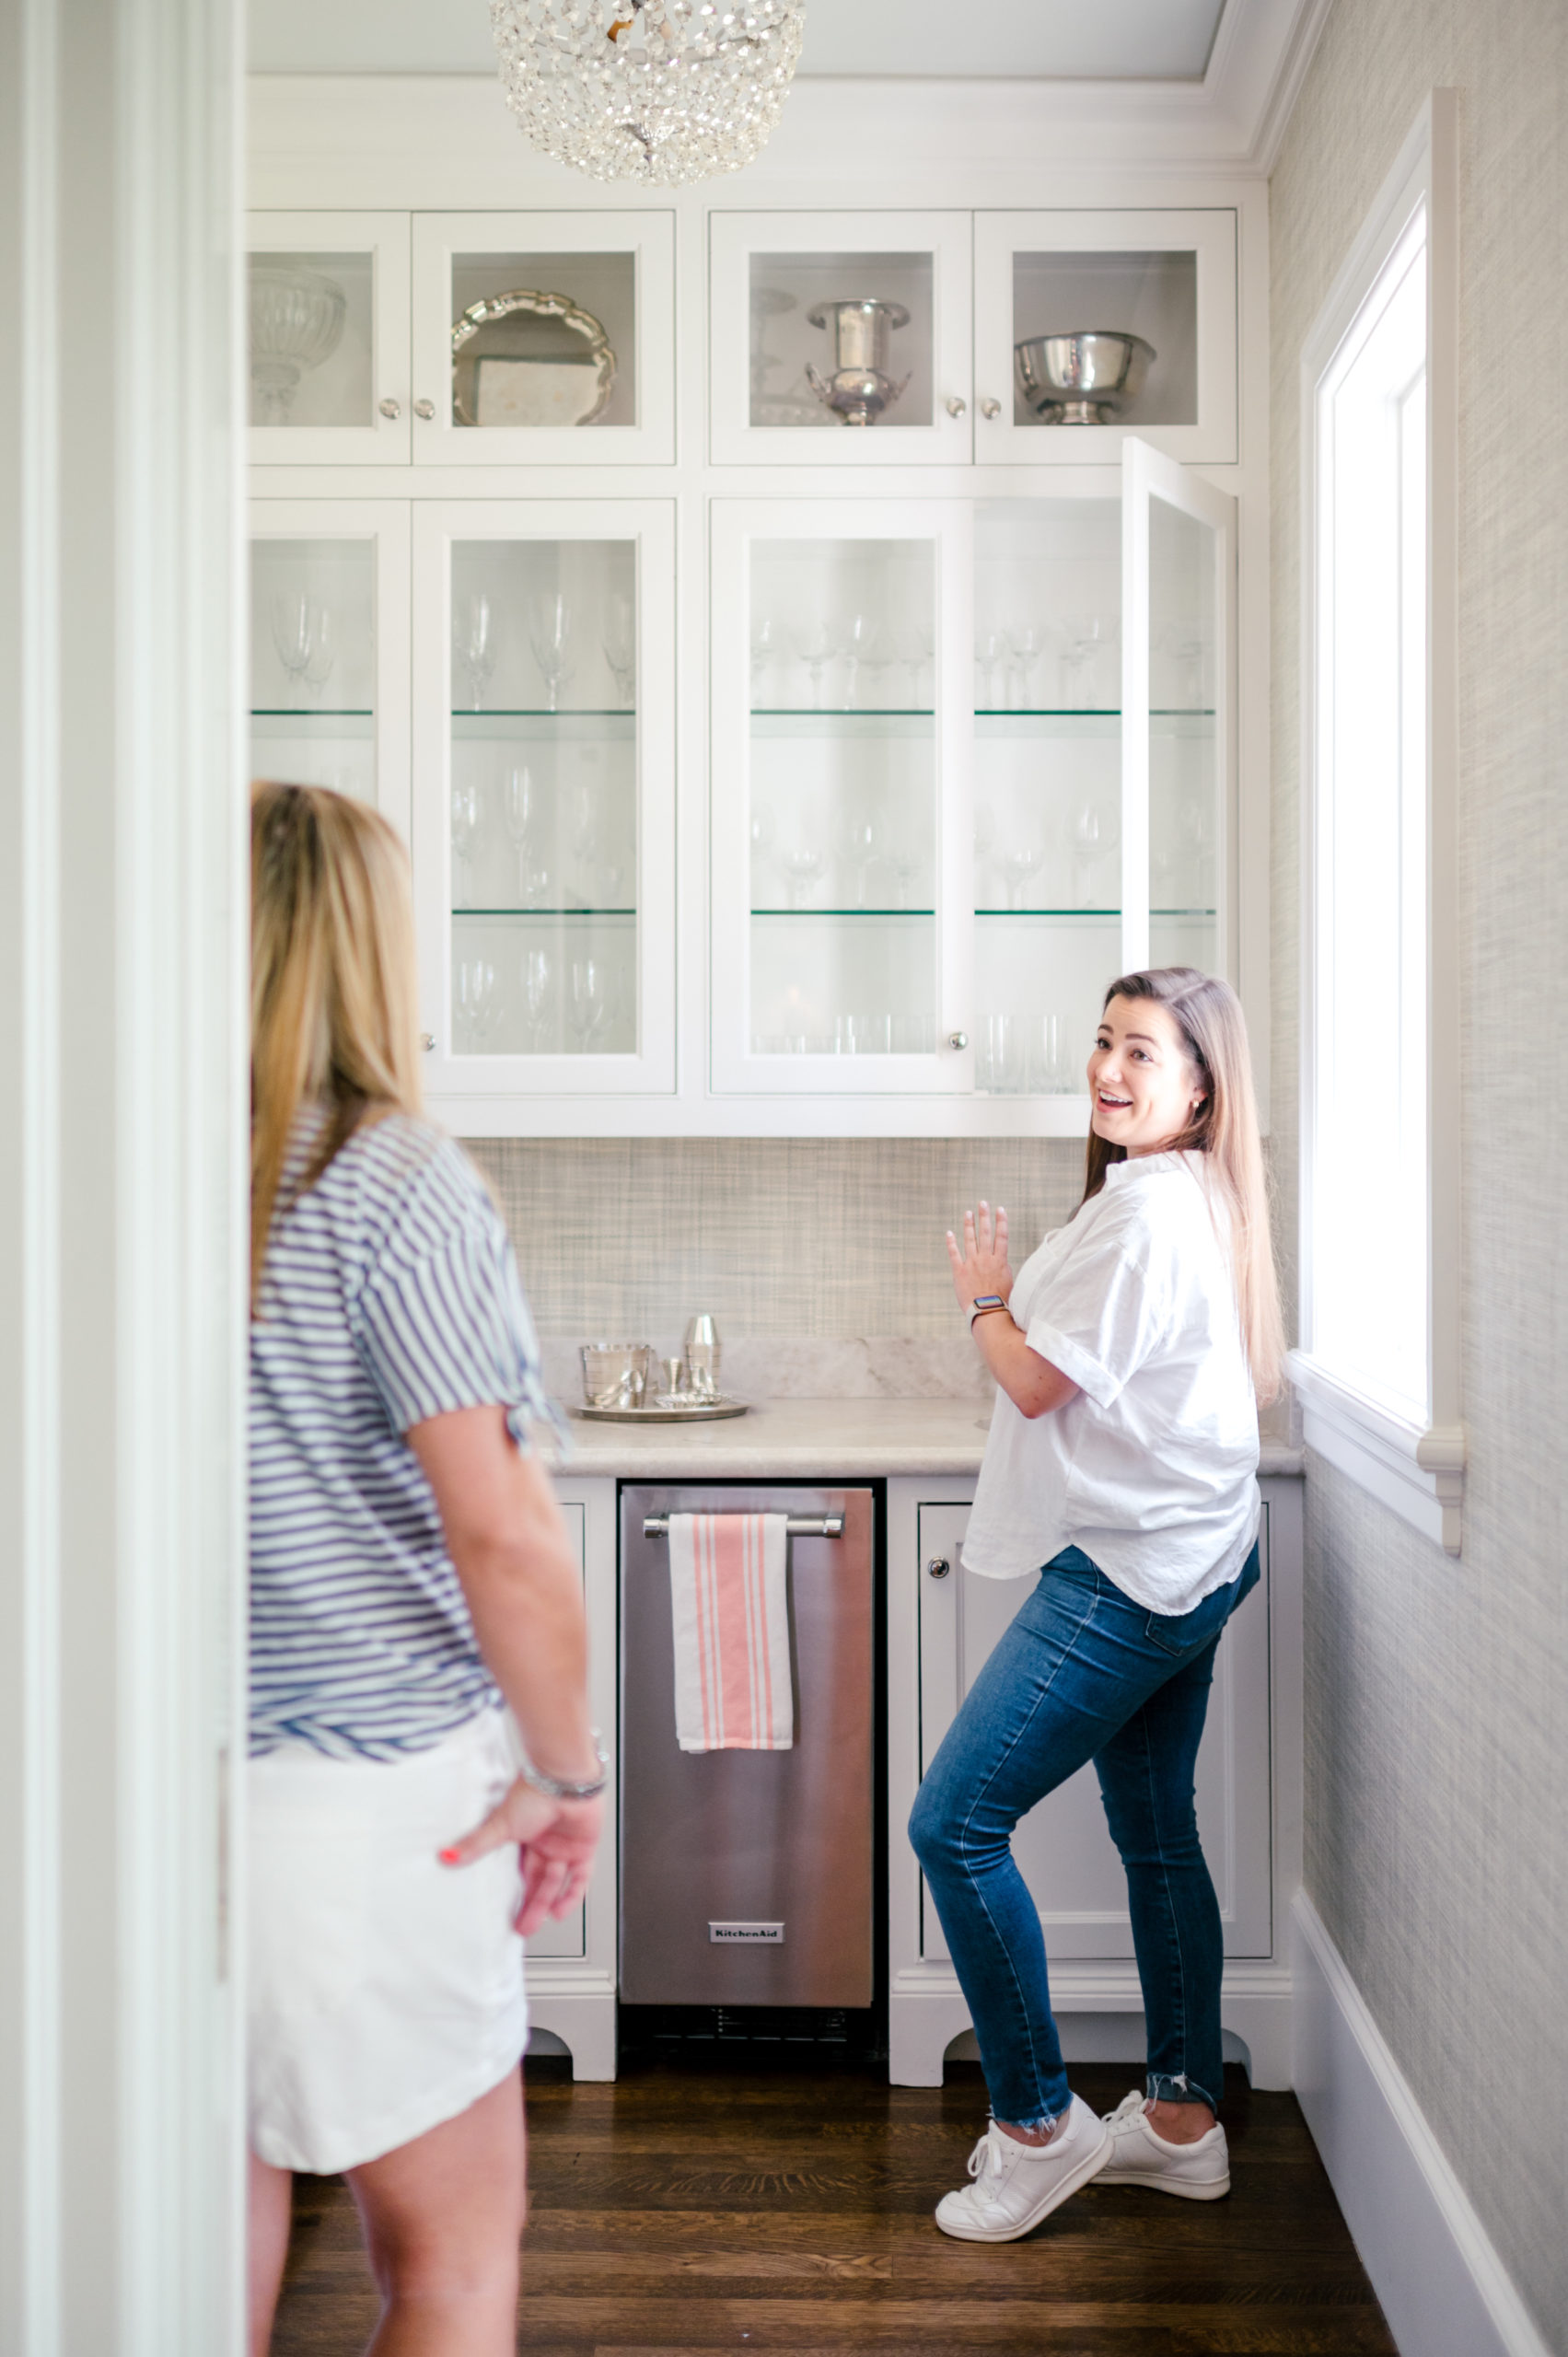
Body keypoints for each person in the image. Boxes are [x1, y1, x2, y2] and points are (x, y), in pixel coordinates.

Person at [246, 781, 605, 2355]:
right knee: (449, 2268)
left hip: (160, 1815)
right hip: (374, 1815)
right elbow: (501, 1531)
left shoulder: (109, 1184)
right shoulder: (390, 1184)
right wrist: (570, 1773)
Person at [911, 966, 1283, 2244]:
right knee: (1156, 1830)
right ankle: (1181, 2122)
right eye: (1104, 1044)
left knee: (954, 1824)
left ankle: (1037, 2127)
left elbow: (1034, 1385)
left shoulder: (1143, 1217)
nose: (1110, 1072)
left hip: (1130, 1573)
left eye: (1143, 1053)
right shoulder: (1188, 1194)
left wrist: (984, 1291)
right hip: (1198, 1548)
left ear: (1199, 1087)